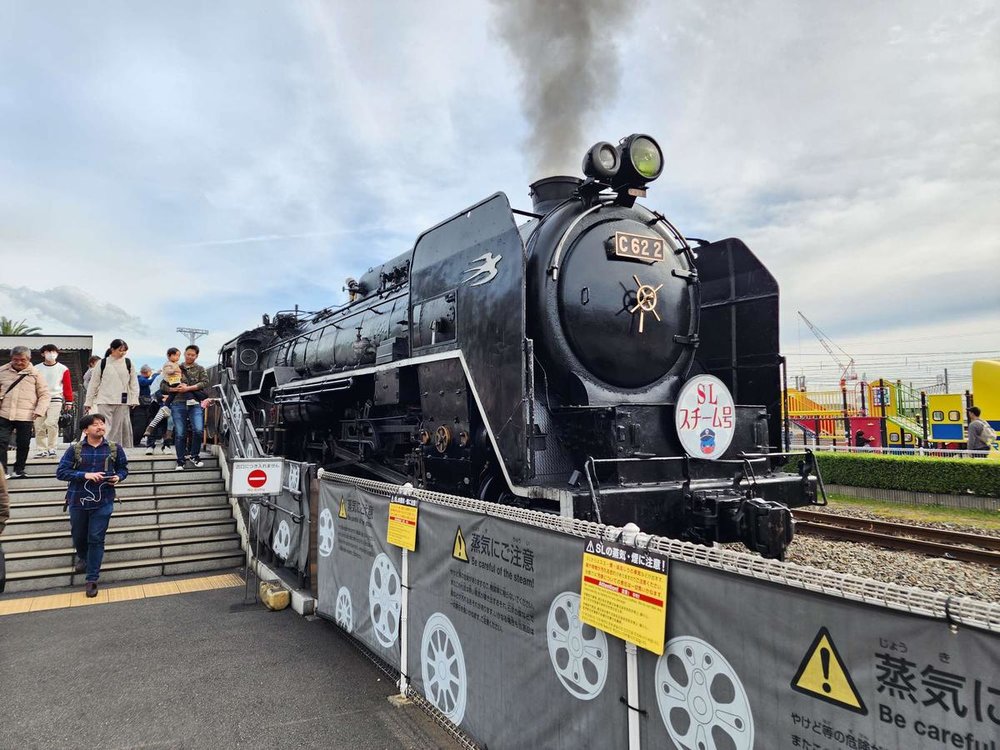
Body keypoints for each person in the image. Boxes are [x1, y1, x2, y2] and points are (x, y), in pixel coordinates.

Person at [56, 413, 129, 597]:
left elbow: (123, 469)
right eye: (95, 424)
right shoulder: (75, 449)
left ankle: (91, 579)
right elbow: (61, 472)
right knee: (79, 535)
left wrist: (118, 477)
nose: (100, 427)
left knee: (96, 538)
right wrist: (84, 475)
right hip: (77, 499)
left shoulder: (114, 448)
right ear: (85, 429)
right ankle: (82, 556)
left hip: (104, 500)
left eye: (102, 424)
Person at [0, 346, 51, 480]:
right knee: (1, 442)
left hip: (26, 415)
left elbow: (45, 394)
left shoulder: (36, 374)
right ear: (11, 359)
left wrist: (39, 410)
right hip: (4, 413)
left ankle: (19, 469)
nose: (19, 362)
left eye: (22, 360)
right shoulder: (2, 371)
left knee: (23, 443)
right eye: (15, 360)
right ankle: (2, 471)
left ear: (29, 359)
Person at [84, 339, 140, 446]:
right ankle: (103, 446)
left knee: (118, 428)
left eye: (125, 351)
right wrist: (88, 401)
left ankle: (115, 448)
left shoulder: (128, 363)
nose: (123, 353)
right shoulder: (103, 363)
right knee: (105, 425)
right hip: (104, 399)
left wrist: (134, 398)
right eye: (120, 350)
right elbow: (94, 383)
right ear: (112, 349)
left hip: (122, 400)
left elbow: (133, 382)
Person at [170, 345, 209, 470]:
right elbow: (164, 385)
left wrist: (188, 388)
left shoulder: (200, 369)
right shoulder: (175, 367)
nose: (190, 356)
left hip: (194, 403)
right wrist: (175, 388)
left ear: (196, 356)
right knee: (180, 433)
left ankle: (194, 455)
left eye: (193, 355)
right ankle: (180, 461)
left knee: (198, 430)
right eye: (188, 354)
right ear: (184, 354)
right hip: (178, 402)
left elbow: (205, 382)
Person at [34, 343, 74, 457]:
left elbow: (67, 386)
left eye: (53, 352)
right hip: (40, 399)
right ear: (43, 354)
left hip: (56, 398)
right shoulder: (36, 368)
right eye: (48, 352)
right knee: (38, 425)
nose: (51, 354)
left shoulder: (63, 369)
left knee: (52, 423)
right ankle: (41, 449)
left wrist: (69, 401)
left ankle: (52, 447)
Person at [143, 362, 184, 454]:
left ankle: (166, 445)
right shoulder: (160, 378)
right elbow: (154, 390)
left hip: (172, 404)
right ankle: (150, 445)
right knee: (154, 422)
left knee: (169, 424)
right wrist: (162, 397)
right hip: (158, 404)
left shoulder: (179, 378)